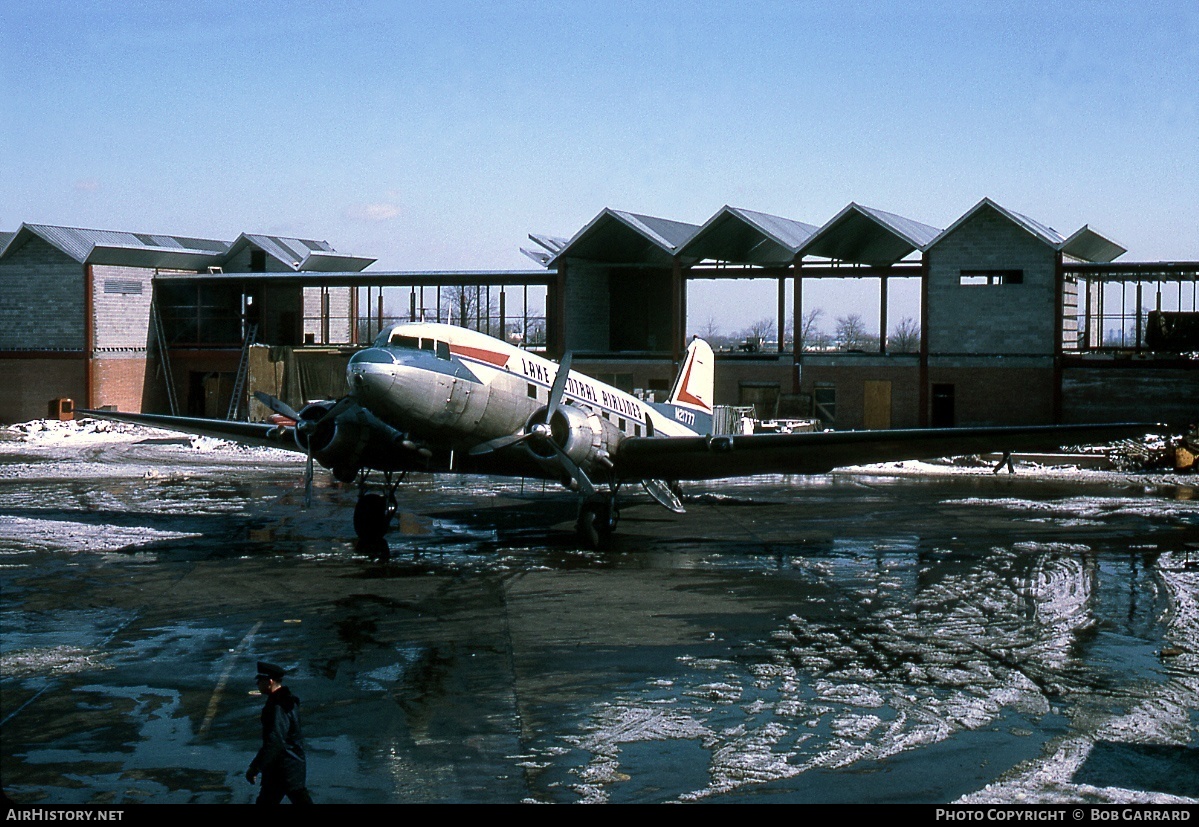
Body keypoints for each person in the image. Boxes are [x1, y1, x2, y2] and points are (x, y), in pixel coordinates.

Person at [245, 661, 313, 804]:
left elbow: (275, 740)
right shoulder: (287, 700)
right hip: (289, 767)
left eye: (260, 681)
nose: (258, 684)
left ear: (269, 682)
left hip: (282, 769)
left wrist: (255, 767)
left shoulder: (277, 707)